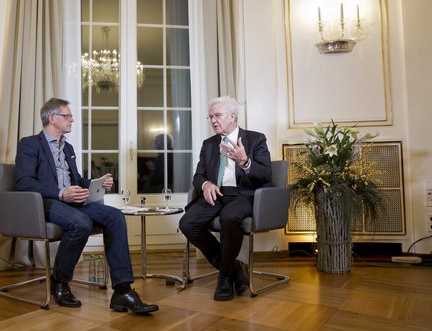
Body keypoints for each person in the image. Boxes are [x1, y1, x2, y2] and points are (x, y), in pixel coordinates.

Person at [16, 98, 158, 314]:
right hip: (45, 202)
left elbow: (77, 180)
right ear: (52, 118)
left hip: (72, 200)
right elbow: (24, 182)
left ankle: (122, 291)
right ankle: (59, 282)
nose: (72, 119)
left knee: (115, 216)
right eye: (67, 116)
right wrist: (61, 193)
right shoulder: (30, 143)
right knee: (81, 223)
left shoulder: (68, 147)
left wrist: (95, 183)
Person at [179, 96, 272, 301]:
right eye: (210, 117)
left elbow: (266, 175)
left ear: (232, 116)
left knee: (230, 218)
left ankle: (223, 277)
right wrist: (206, 185)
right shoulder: (209, 144)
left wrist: (245, 161)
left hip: (243, 194)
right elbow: (198, 176)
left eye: (217, 115)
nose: (213, 120)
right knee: (187, 223)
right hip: (216, 193)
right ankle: (234, 270)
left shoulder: (255, 139)